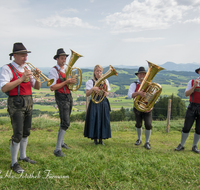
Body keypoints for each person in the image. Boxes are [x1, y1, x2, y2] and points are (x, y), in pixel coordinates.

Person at [0, 42, 41, 173]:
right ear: (15, 55)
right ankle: (14, 163)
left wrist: (37, 77)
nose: (25, 58)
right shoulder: (7, 68)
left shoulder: (27, 69)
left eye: (26, 55)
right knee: (17, 134)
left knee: (26, 131)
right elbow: (4, 87)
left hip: (28, 101)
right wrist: (21, 78)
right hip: (16, 102)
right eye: (23, 55)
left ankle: (22, 156)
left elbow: (37, 87)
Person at [48, 48, 76, 157]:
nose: (64, 60)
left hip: (68, 95)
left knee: (65, 120)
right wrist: (66, 82)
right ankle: (57, 149)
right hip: (61, 96)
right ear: (57, 59)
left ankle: (62, 142)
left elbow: (69, 85)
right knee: (65, 122)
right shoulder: (53, 70)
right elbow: (52, 87)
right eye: (62, 58)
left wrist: (72, 82)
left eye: (65, 58)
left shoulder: (67, 69)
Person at [84, 65, 111, 145]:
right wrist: (92, 89)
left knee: (103, 120)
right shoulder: (90, 82)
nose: (99, 73)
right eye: (97, 71)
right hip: (94, 102)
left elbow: (107, 92)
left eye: (100, 71)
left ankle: (101, 139)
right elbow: (87, 94)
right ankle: (95, 139)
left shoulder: (105, 81)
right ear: (94, 72)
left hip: (103, 102)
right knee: (94, 120)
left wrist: (106, 93)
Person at [175, 67, 200, 153]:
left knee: (199, 129)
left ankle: (195, 146)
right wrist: (193, 87)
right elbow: (186, 94)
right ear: (198, 72)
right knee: (186, 127)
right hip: (192, 106)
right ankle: (182, 145)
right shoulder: (192, 81)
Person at [127, 67, 152, 150]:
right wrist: (138, 93)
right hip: (137, 107)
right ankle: (139, 139)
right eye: (140, 74)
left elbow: (154, 97)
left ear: (146, 75)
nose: (142, 75)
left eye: (144, 74)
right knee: (138, 124)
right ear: (137, 75)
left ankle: (147, 142)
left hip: (147, 108)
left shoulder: (150, 85)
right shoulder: (133, 85)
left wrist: (151, 106)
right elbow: (129, 95)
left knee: (148, 124)